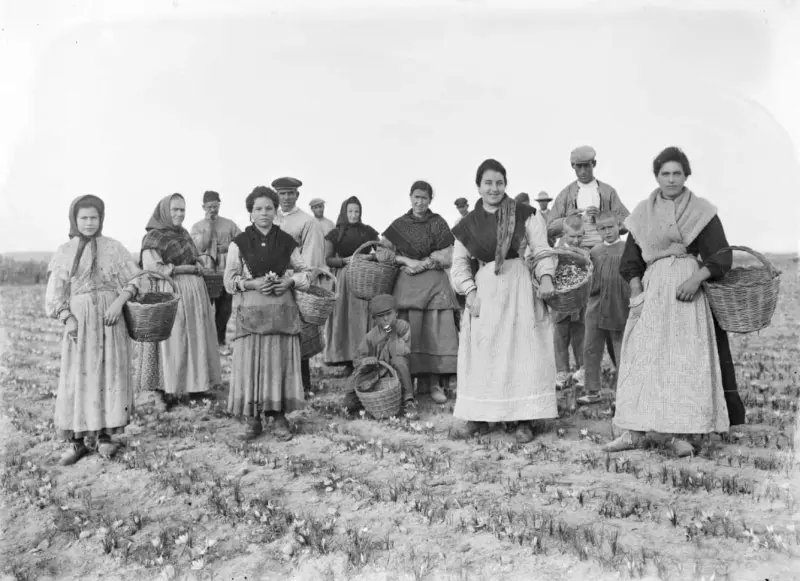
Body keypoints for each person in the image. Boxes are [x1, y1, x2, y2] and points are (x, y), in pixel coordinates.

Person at [604, 146, 745, 456]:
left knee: (683, 361)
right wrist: (636, 292)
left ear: (686, 176)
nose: (671, 179)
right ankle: (634, 431)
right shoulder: (642, 213)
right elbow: (631, 261)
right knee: (641, 358)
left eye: (677, 173)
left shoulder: (702, 212)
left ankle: (679, 433)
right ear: (656, 176)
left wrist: (696, 278)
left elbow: (722, 255)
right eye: (665, 173)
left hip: (687, 293)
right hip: (652, 290)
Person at [450, 159, 558, 443]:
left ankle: (524, 418)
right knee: (485, 352)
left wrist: (546, 277)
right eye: (488, 183)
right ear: (478, 186)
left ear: (505, 185)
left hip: (520, 285)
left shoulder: (525, 213)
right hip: (485, 289)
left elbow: (542, 249)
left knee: (522, 350)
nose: (494, 188)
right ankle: (481, 416)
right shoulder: (467, 225)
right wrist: (470, 293)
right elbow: (459, 264)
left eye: (499, 182)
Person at [46, 195, 141, 465]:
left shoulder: (114, 248)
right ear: (74, 220)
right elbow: (55, 294)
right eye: (84, 218)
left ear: (101, 219)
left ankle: (105, 437)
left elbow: (136, 280)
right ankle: (76, 442)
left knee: (109, 374)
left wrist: (119, 303)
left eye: (94, 218)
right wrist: (68, 317)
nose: (89, 223)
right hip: (80, 321)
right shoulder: (66, 251)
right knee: (78, 376)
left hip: (111, 319)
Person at [224, 186, 312, 441]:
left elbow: (306, 273)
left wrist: (289, 282)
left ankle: (278, 416)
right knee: (250, 362)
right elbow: (230, 282)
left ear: (276, 211)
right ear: (250, 212)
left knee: (277, 362)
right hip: (250, 311)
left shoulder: (286, 241)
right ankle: (252, 419)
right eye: (258, 209)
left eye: (269, 208)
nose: (263, 213)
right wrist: (252, 283)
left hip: (281, 312)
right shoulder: (238, 243)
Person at [135, 193, 222, 408]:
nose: (179, 214)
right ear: (164, 211)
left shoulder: (183, 233)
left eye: (182, 210)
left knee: (194, 338)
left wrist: (201, 262)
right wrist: (185, 269)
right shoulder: (154, 238)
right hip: (169, 292)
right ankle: (166, 391)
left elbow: (192, 256)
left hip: (194, 294)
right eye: (174, 210)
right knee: (172, 342)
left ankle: (195, 387)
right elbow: (154, 269)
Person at [377, 181, 459, 404]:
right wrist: (406, 259)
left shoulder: (438, 223)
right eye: (416, 197)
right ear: (410, 197)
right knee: (408, 336)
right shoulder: (400, 225)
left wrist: (427, 262)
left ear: (430, 200)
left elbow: (450, 254)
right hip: (408, 287)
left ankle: (433, 384)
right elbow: (382, 252)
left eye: (424, 197)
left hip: (435, 287)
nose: (420, 201)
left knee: (434, 336)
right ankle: (407, 386)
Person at [272, 176, 328, 393]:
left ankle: (302, 385)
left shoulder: (307, 221)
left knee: (299, 332)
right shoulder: (269, 216)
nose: (285, 198)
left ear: (297, 195)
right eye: (281, 193)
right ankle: (277, 384)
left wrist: (298, 282)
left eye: (290, 193)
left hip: (294, 284)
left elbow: (311, 259)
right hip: (269, 285)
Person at [579, 211, 630, 405]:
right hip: (596, 303)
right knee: (591, 346)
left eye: (611, 227)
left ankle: (623, 394)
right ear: (597, 230)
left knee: (620, 348)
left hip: (620, 303)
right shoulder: (594, 252)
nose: (607, 231)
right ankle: (593, 390)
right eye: (602, 228)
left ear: (619, 226)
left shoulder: (628, 249)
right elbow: (588, 278)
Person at [323, 196, 379, 371]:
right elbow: (328, 259)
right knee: (345, 318)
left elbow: (382, 252)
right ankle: (346, 359)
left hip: (365, 277)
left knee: (362, 317)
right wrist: (344, 261)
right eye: (350, 211)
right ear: (344, 212)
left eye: (357, 211)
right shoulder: (335, 233)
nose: (354, 215)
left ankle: (364, 357)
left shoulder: (368, 232)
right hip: (345, 278)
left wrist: (371, 257)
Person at [342, 294, 416, 414]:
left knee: (399, 360)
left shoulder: (402, 326)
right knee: (348, 404)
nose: (386, 318)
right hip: (374, 376)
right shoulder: (370, 336)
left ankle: (408, 400)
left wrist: (389, 331)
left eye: (389, 314)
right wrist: (366, 360)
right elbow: (357, 359)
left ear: (396, 313)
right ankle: (370, 400)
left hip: (396, 373)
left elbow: (400, 350)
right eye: (381, 316)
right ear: (374, 319)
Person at [547, 146, 630, 251]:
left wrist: (602, 217)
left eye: (586, 166)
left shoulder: (608, 192)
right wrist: (570, 219)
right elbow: (550, 228)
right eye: (579, 167)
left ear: (594, 164)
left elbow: (627, 222)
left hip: (604, 250)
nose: (583, 172)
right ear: (573, 166)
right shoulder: (565, 194)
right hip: (573, 250)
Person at [190, 190, 242, 346]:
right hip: (205, 273)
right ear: (203, 207)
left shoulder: (229, 224)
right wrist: (207, 226)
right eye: (209, 206)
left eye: (215, 206)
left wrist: (229, 246)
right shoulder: (197, 226)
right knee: (204, 308)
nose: (213, 209)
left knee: (225, 308)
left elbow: (242, 241)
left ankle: (220, 339)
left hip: (225, 272)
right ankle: (205, 341)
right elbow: (199, 246)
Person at [551, 215, 590, 390]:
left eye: (580, 236)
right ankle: (562, 371)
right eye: (572, 236)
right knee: (560, 335)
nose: (576, 240)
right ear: (563, 233)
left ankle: (582, 370)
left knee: (580, 334)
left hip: (580, 300)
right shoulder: (556, 252)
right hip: (561, 300)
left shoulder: (585, 252)